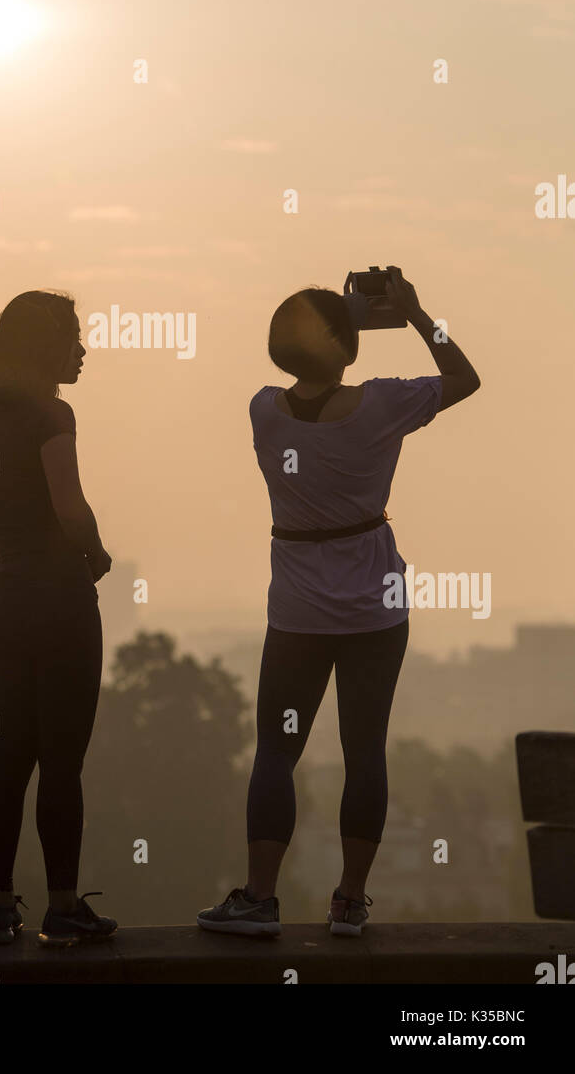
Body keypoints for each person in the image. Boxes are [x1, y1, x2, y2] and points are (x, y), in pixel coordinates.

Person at [197, 269, 480, 938]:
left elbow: (310, 376)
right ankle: (350, 901)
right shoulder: (383, 404)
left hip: (298, 612)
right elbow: (464, 378)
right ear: (348, 346)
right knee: (365, 750)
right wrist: (412, 312)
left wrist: (338, 320)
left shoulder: (263, 408)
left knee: (277, 751)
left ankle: (260, 899)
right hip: (376, 608)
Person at [0, 289, 117, 948]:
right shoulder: (54, 415)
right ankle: (61, 905)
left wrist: (16, 542)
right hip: (61, 599)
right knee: (61, 762)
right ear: (46, 347)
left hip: (5, 596)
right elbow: (70, 503)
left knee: (11, 753)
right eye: (74, 337)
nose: (83, 349)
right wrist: (95, 550)